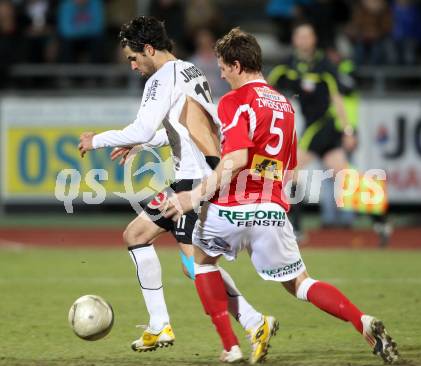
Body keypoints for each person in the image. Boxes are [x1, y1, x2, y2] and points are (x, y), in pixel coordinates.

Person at [164, 28, 399, 364]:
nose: (221, 74)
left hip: (231, 207)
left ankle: (231, 346)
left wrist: (194, 196)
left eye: (223, 67)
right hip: (272, 211)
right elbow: (283, 171)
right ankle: (361, 321)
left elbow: (236, 159)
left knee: (199, 264)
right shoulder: (285, 106)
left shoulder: (234, 101)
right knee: (302, 284)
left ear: (238, 65)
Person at [77, 16, 269, 358]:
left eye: (134, 58)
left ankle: (253, 323)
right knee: (137, 236)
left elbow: (141, 126)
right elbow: (182, 126)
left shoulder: (162, 76)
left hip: (194, 181)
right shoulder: (189, 69)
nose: (133, 66)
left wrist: (97, 141)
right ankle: (159, 324)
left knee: (196, 265)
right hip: (195, 173)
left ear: (149, 49)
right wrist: (144, 145)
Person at [268, 22, 356, 238]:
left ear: (314, 39)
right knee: (341, 172)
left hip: (323, 126)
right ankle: (381, 220)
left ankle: (296, 227)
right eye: (300, 36)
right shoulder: (286, 66)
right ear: (294, 40)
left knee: (291, 169)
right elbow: (265, 90)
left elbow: (337, 98)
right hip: (310, 127)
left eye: (308, 36)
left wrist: (348, 130)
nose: (304, 40)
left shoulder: (324, 65)